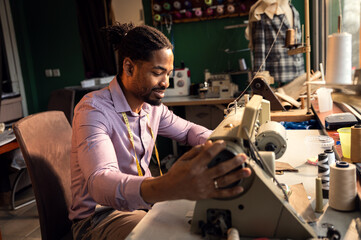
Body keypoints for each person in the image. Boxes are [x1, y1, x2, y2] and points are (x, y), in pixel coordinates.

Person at [69, 22, 252, 240]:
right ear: (129, 68)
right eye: (157, 73)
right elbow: (100, 182)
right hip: (99, 218)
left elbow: (188, 131)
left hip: (143, 206)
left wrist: (226, 144)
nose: (165, 83)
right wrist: (169, 186)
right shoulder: (93, 110)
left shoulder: (150, 108)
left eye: (168, 73)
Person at [246, 0, 305, 87]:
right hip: (278, 72)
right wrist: (259, 78)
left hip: (298, 71)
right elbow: (260, 49)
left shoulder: (294, 11)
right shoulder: (263, 13)